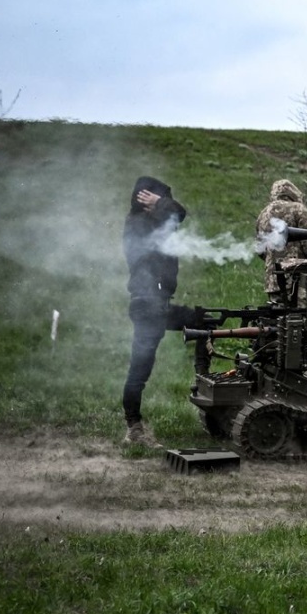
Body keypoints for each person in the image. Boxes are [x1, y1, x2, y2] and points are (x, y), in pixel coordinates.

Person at [121, 176, 197, 447]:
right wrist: (161, 203)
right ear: (144, 200)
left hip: (159, 304)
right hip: (146, 305)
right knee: (140, 369)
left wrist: (161, 204)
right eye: (155, 198)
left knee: (201, 321)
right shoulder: (138, 225)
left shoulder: (155, 225)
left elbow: (177, 215)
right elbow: (178, 212)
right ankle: (134, 428)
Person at [255, 179, 307, 305]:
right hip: (296, 278)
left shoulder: (263, 213)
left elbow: (260, 249)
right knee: (301, 318)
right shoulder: (298, 209)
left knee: (279, 317)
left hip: (272, 279)